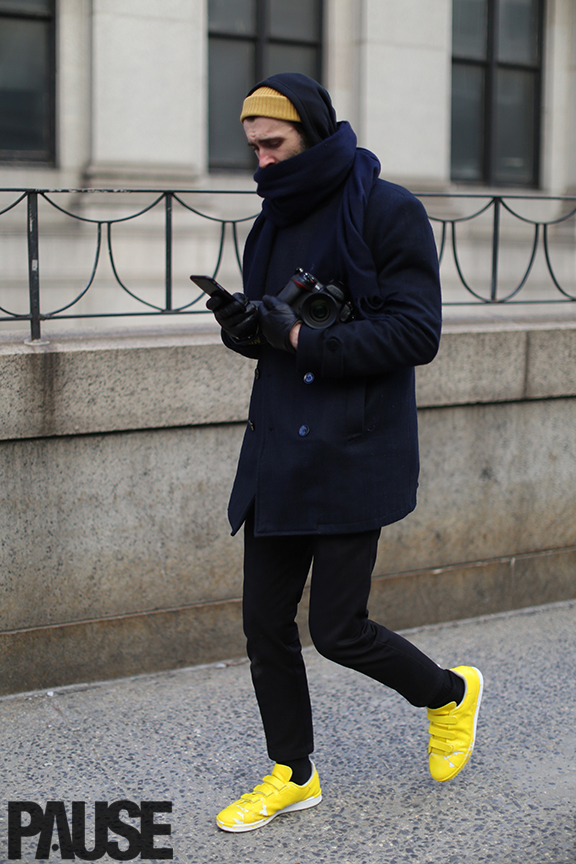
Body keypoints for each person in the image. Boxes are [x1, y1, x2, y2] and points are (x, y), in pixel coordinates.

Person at [207, 73, 483, 834]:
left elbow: (415, 334)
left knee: (338, 631)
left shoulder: (388, 209)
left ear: (313, 133)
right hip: (278, 449)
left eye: (274, 144)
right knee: (264, 624)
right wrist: (242, 326)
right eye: (254, 148)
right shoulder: (269, 221)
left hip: (353, 450)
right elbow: (269, 336)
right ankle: (293, 773)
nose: (261, 162)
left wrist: (298, 335)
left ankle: (451, 696)